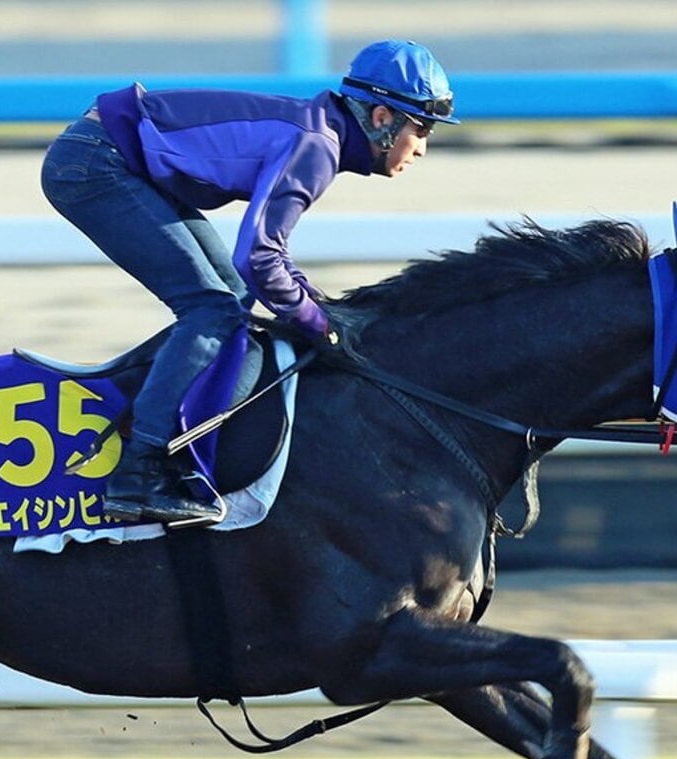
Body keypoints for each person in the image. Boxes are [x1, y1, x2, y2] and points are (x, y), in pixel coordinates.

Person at [41, 39, 459, 525]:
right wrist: (317, 323)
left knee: (231, 305)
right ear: (384, 118)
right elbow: (258, 257)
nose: (423, 147)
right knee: (210, 308)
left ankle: (180, 449)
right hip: (96, 164)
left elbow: (265, 259)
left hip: (116, 157)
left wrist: (314, 306)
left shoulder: (318, 135)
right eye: (421, 129)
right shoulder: (316, 146)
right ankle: (139, 470)